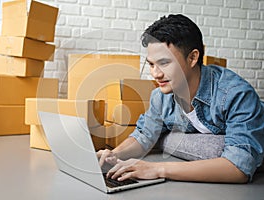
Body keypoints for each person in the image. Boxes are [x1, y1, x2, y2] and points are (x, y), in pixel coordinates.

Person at [97, 14, 264, 183]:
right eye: (151, 64)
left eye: (164, 63)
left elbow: (239, 168)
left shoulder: (236, 94)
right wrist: (113, 154)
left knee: (211, 147)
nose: (156, 74)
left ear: (192, 58)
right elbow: (144, 135)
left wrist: (157, 169)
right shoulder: (161, 96)